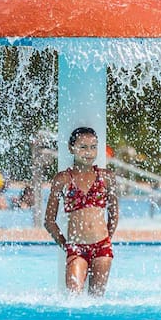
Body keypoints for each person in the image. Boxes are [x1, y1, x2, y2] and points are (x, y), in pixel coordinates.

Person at [44, 127, 119, 296]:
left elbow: (114, 214)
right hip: (76, 248)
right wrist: (66, 246)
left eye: (93, 147)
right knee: (73, 298)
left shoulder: (106, 177)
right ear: (71, 148)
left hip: (102, 247)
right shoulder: (62, 179)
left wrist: (107, 240)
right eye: (83, 147)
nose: (89, 152)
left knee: (96, 300)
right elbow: (49, 221)